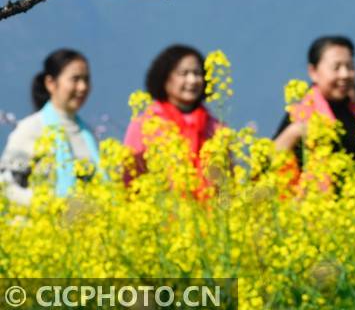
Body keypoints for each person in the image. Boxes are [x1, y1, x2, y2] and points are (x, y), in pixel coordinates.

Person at [0, 49, 101, 205]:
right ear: (51, 83)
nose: (82, 87)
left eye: (86, 79)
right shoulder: (31, 128)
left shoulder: (88, 135)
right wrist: (45, 206)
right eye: (75, 79)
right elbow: (5, 184)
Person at [124, 45, 221, 182]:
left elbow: (225, 184)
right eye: (184, 73)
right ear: (165, 78)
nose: (192, 80)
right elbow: (130, 176)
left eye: (197, 73)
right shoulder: (145, 124)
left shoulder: (215, 127)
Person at [273, 36, 355, 168]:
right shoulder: (300, 115)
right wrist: (294, 132)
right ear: (313, 72)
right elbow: (268, 165)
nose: (345, 74)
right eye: (336, 67)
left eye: (350, 66)